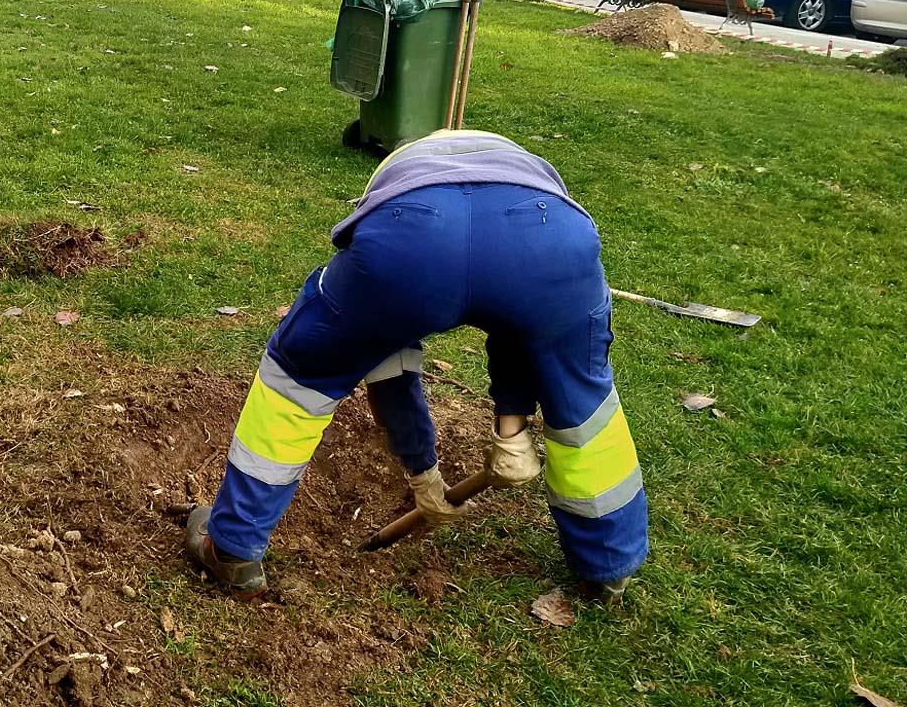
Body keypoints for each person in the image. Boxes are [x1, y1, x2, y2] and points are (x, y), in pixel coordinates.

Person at [185, 129, 648, 599]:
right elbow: (523, 327)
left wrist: (421, 469)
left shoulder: (395, 183)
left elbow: (385, 356)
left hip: (412, 237)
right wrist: (509, 427)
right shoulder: (525, 169)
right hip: (548, 236)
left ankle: (234, 548)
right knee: (583, 401)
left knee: (298, 376)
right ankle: (609, 565)